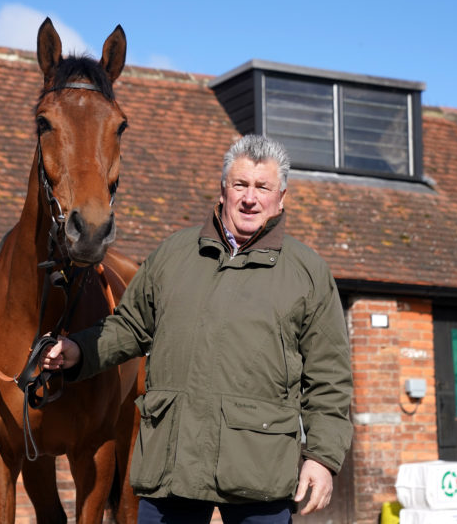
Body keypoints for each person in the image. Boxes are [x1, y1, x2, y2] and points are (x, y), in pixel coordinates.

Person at [45, 134, 353, 524]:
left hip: (259, 469)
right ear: (224, 190)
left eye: (263, 187)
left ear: (282, 197)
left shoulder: (307, 272)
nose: (250, 198)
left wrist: (322, 458)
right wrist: (81, 352)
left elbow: (329, 378)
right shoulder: (174, 254)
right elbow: (130, 326)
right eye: (240, 184)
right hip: (172, 464)